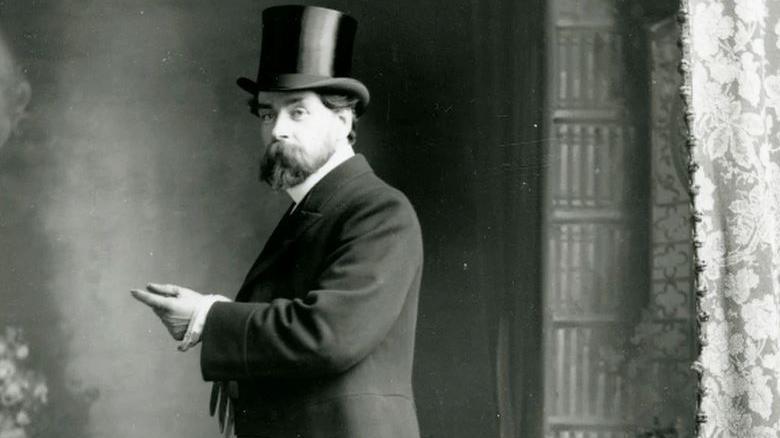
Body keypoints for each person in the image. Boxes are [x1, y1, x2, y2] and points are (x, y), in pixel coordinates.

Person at [130, 5, 423, 438]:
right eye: (267, 113)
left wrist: (207, 316)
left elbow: (327, 334)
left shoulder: (380, 211)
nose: (277, 129)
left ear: (343, 122)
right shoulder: (315, 208)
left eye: (297, 111)